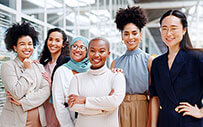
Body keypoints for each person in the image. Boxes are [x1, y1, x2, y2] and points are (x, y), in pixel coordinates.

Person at [149, 10, 203, 127]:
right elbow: (155, 97)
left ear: (184, 30)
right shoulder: (157, 63)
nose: (168, 33)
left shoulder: (197, 58)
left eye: (173, 28)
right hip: (165, 122)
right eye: (164, 28)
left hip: (190, 122)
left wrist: (200, 112)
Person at [0, 22, 50, 127]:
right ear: (15, 47)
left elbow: (46, 91)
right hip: (15, 121)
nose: (27, 47)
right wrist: (28, 70)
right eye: (22, 44)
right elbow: (17, 92)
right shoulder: (8, 66)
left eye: (30, 44)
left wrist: (24, 102)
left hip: (38, 121)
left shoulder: (39, 66)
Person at [68, 37, 126, 127]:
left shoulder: (116, 76)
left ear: (108, 54)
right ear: (88, 53)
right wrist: (103, 108)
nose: (96, 55)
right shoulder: (77, 79)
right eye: (92, 51)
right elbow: (73, 106)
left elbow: (114, 102)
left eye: (101, 51)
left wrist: (85, 100)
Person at [110, 6, 154, 127]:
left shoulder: (149, 60)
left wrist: (151, 120)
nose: (130, 38)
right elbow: (110, 92)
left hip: (142, 107)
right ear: (122, 37)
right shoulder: (115, 63)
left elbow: (153, 95)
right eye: (126, 34)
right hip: (120, 108)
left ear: (140, 35)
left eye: (134, 33)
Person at [52, 37, 89, 127]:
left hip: (90, 119)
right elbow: (58, 103)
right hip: (70, 120)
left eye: (82, 47)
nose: (77, 50)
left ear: (87, 50)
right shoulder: (61, 71)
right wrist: (68, 125)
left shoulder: (92, 70)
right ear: (70, 49)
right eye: (74, 46)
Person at [39, 28, 69, 127]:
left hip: (59, 109)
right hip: (45, 107)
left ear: (63, 44)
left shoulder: (67, 64)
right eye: (50, 39)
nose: (53, 43)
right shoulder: (43, 64)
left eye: (57, 40)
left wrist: (52, 84)